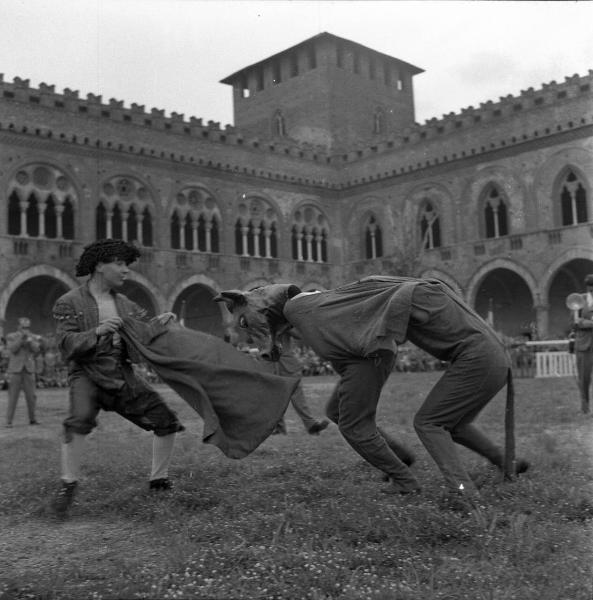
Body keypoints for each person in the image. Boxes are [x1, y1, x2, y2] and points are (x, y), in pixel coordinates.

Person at [215, 275, 529, 507]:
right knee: (341, 412)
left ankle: (458, 491)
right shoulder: (411, 293)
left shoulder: (410, 294)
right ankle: (504, 463)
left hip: (476, 359)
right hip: (493, 358)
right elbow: (348, 310)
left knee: (427, 422)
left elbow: (340, 322)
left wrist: (279, 335)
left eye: (244, 320)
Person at [51, 239, 184, 517]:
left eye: (127, 265)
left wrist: (159, 324)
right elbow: (65, 344)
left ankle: (159, 480)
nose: (126, 271)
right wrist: (97, 332)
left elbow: (143, 337)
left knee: (166, 421)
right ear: (99, 265)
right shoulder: (68, 302)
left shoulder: (127, 305)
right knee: (78, 420)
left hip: (121, 374)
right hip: (86, 374)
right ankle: (68, 484)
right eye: (120, 264)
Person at [270, 328, 329, 436]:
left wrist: (284, 326)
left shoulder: (282, 316)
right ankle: (278, 428)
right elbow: (250, 338)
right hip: (269, 362)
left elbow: (299, 334)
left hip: (287, 362)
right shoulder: (259, 315)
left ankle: (311, 425)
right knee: (274, 395)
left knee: (297, 394)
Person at [5, 317, 41, 427]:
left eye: (28, 327)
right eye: (24, 327)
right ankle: (9, 421)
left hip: (29, 369)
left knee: (31, 396)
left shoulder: (32, 337)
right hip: (16, 370)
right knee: (13, 396)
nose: (26, 329)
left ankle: (33, 419)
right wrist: (21, 338)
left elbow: (36, 350)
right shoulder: (11, 336)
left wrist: (30, 341)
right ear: (19, 327)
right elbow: (12, 349)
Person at [572, 273, 593, 414]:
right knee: (584, 377)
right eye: (590, 287)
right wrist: (589, 323)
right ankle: (585, 405)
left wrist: (584, 322)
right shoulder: (579, 300)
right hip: (584, 345)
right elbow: (574, 322)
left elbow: (581, 321)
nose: (591, 289)